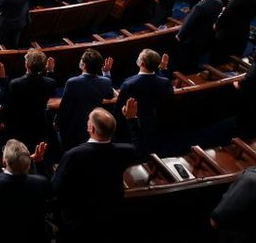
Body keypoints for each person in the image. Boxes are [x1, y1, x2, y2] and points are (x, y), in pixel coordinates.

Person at [52, 101, 146, 242]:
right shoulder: (123, 152)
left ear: (92, 129)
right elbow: (140, 151)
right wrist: (132, 119)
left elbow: (55, 188)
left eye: (89, 121)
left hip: (79, 221)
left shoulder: (73, 155)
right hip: (111, 215)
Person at [56, 48, 115, 149]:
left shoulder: (72, 82)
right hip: (96, 126)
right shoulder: (105, 81)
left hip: (74, 129)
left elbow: (65, 108)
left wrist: (57, 122)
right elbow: (109, 94)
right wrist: (106, 73)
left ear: (83, 65)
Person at [0, 50, 57, 151]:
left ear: (26, 65)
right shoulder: (51, 82)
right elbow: (48, 89)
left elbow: (8, 105)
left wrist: (1, 79)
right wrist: (50, 72)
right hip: (40, 126)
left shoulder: (15, 84)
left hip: (20, 126)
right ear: (44, 67)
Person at [116, 50, 171, 138]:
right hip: (157, 123)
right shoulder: (165, 82)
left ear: (141, 63)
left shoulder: (129, 84)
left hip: (133, 127)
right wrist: (163, 70)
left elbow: (119, 108)